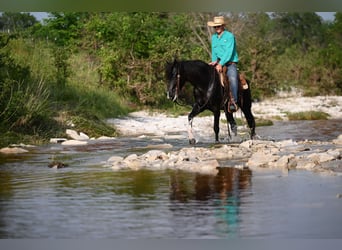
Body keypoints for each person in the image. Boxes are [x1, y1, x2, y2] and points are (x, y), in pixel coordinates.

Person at [207, 16, 239, 112]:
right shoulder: (214, 38)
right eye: (215, 27)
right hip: (218, 63)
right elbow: (214, 52)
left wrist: (221, 63)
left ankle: (233, 101)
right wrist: (214, 61)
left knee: (233, 79)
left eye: (219, 26)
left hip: (230, 64)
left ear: (223, 26)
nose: (217, 28)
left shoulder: (229, 36)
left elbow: (229, 52)